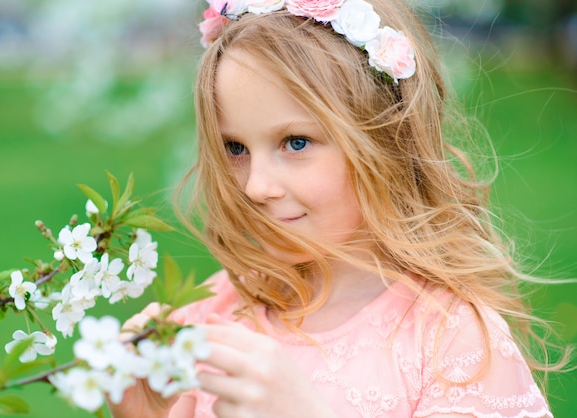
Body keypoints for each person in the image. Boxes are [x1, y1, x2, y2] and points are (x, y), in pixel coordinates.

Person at [110, 0, 568, 417]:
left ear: (384, 140)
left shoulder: (452, 343)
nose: (256, 186)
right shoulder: (216, 311)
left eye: (295, 142)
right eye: (235, 148)